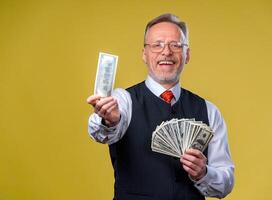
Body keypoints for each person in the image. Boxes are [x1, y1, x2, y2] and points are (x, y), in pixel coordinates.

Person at [87, 13, 234, 200]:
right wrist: (109, 120)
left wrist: (204, 173)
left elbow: (226, 184)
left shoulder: (209, 110)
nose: (166, 52)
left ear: (187, 55)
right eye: (157, 45)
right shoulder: (123, 100)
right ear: (144, 55)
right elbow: (98, 131)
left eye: (176, 45)